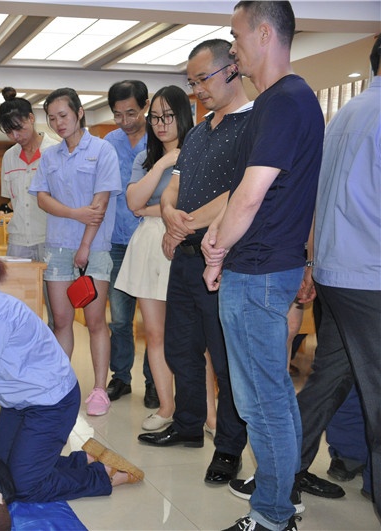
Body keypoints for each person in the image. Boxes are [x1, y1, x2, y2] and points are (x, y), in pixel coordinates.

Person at [201, 3, 324, 530]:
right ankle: (283, 498)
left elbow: (250, 197)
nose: (233, 48)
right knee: (272, 395)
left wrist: (215, 251)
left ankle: (272, 515)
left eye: (236, 35)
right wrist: (218, 238)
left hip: (257, 272)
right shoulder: (282, 101)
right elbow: (244, 194)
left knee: (261, 402)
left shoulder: (285, 102)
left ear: (265, 33)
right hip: (262, 268)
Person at [0, 245, 144, 504]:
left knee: (24, 486)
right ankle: (83, 459)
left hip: (52, 402)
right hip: (18, 402)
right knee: (0, 471)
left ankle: (104, 475)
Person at [138, 39, 250, 487]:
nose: (197, 90)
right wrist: (170, 214)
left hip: (221, 259)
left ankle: (229, 447)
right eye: (192, 82)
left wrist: (183, 224)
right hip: (183, 259)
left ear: (231, 70)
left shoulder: (253, 124)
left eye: (202, 79)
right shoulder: (200, 132)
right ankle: (187, 425)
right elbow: (174, 185)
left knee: (224, 361)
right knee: (180, 348)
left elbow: (240, 194)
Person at [289, 31, 381, 516]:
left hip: (336, 272)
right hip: (370, 274)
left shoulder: (345, 113)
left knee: (331, 377)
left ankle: (287, 468)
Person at [28, 87, 120, 416]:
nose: (58, 123)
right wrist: (73, 213)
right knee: (61, 321)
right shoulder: (50, 156)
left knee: (95, 321)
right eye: (52, 118)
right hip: (57, 247)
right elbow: (42, 198)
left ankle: (99, 389)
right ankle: (59, 386)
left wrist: (84, 246)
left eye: (63, 116)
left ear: (80, 113)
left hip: (94, 248)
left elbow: (100, 205)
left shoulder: (102, 150)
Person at [114, 85, 193, 431]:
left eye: (168, 117)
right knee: (156, 335)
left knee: (192, 338)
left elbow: (192, 207)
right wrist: (163, 162)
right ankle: (166, 406)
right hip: (149, 245)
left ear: (183, 116)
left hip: (185, 242)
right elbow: (134, 203)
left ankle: (202, 411)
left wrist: (154, 209)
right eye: (156, 118)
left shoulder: (198, 151)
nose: (161, 125)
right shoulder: (145, 159)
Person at [102, 80, 156, 407]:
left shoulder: (160, 139)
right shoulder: (109, 142)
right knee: (120, 319)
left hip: (151, 240)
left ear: (146, 105)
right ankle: (121, 377)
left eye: (132, 113)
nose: (125, 121)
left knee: (153, 321)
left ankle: (154, 381)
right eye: (118, 115)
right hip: (117, 241)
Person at [0, 86, 59, 328]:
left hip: (51, 238)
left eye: (19, 128)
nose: (16, 136)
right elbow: (11, 200)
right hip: (19, 241)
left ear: (31, 119)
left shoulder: (55, 150)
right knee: (19, 310)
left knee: (57, 311)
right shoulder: (9, 157)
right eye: (9, 132)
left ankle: (53, 353)